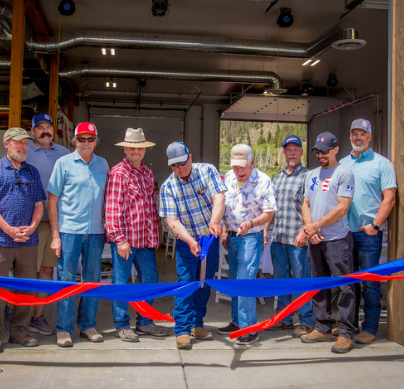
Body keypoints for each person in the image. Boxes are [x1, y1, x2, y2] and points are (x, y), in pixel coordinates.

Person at [0, 126, 47, 353]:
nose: (23, 146)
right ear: (6, 144)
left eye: (25, 142)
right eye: (18, 142)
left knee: (26, 289)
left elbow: (39, 204)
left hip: (27, 240)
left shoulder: (32, 172)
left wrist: (33, 226)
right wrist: (8, 229)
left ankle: (19, 331)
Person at [104, 127, 171, 342]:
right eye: (132, 147)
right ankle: (122, 325)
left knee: (150, 278)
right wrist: (120, 240)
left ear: (145, 150)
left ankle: (145, 322)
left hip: (145, 240)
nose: (136, 151)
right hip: (126, 241)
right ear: (125, 148)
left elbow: (152, 206)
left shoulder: (148, 173)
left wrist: (156, 235)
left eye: (139, 147)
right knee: (121, 281)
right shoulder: (118, 173)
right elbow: (112, 210)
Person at [47, 121, 110, 347]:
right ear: (74, 141)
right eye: (81, 139)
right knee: (66, 279)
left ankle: (87, 326)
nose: (85, 143)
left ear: (95, 142)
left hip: (95, 233)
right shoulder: (63, 163)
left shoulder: (103, 164)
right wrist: (55, 235)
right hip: (69, 231)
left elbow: (108, 201)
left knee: (92, 280)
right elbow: (52, 202)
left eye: (90, 139)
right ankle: (63, 329)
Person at [159, 142, 226, 350]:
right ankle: (182, 329)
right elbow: (172, 221)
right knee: (186, 282)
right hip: (186, 239)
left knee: (204, 282)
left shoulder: (207, 171)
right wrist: (189, 241)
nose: (180, 168)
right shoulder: (168, 187)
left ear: (190, 157)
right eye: (174, 165)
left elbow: (219, 198)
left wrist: (214, 223)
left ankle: (197, 324)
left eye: (182, 162)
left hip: (210, 238)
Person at [299, 131, 357, 354]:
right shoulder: (311, 174)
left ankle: (345, 333)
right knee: (318, 284)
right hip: (316, 239)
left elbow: (342, 208)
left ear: (335, 150)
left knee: (345, 287)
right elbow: (305, 203)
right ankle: (322, 326)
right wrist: (310, 228)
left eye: (324, 151)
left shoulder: (344, 173)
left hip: (337, 240)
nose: (320, 154)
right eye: (317, 151)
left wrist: (315, 226)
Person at [342, 118, 397, 344]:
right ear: (350, 136)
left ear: (370, 137)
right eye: (354, 133)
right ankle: (349, 326)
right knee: (348, 282)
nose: (358, 137)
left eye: (362, 134)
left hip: (368, 233)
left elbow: (390, 197)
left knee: (370, 283)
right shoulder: (343, 164)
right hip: (344, 234)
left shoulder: (382, 164)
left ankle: (371, 327)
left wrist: (375, 226)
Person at [218, 144, 276, 348]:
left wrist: (251, 224)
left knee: (245, 281)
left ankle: (250, 328)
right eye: (235, 167)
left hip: (251, 237)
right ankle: (237, 322)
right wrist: (225, 230)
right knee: (234, 280)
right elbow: (224, 206)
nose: (239, 172)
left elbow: (269, 213)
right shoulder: (229, 177)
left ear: (252, 162)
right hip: (232, 237)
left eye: (243, 167)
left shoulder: (263, 180)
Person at [25, 112, 71, 335]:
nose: (46, 131)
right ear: (32, 131)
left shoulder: (64, 153)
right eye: (40, 127)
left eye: (49, 127)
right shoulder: (24, 150)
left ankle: (38, 317)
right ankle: (15, 311)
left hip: (53, 222)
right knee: (25, 270)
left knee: (46, 270)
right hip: (28, 221)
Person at [269, 134, 314, 337]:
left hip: (298, 240)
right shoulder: (277, 178)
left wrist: (305, 231)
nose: (292, 153)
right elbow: (270, 208)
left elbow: (312, 207)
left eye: (296, 149)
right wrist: (265, 231)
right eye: (289, 149)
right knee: (281, 280)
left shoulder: (309, 177)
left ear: (302, 152)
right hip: (278, 238)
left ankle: (306, 320)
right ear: (284, 153)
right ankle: (284, 318)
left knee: (301, 280)